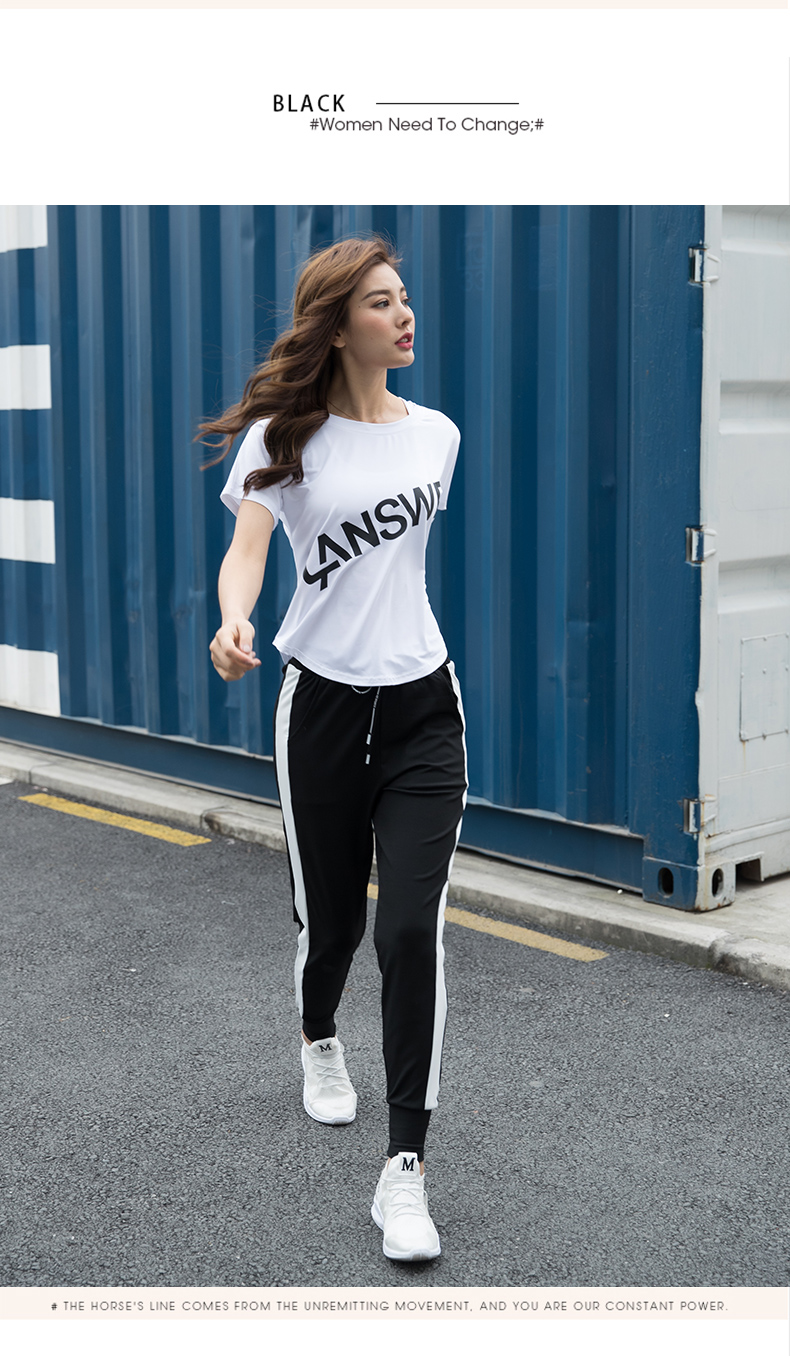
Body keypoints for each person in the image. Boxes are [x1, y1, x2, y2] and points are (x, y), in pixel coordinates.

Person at [202, 236, 467, 1263]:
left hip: (422, 708)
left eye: (405, 298)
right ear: (338, 323)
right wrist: (233, 621)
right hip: (318, 707)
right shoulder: (284, 436)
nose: (404, 316)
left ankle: (405, 1169)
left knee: (409, 928)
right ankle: (319, 1036)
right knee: (334, 925)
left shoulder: (435, 436)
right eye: (381, 303)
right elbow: (247, 553)